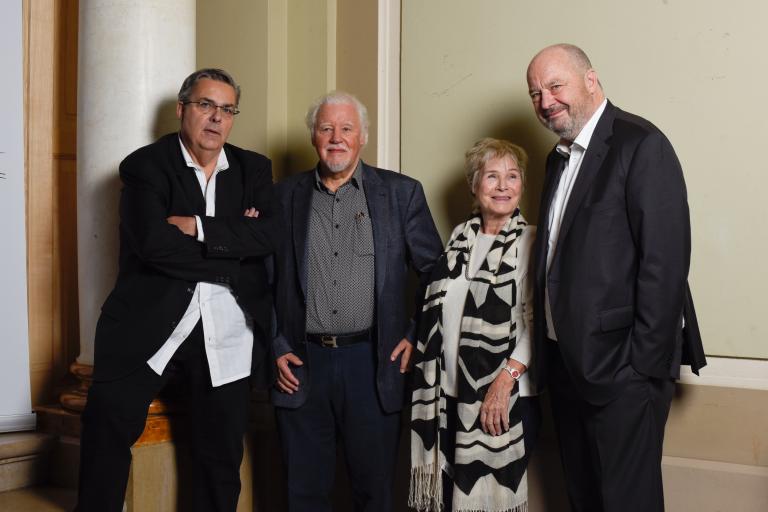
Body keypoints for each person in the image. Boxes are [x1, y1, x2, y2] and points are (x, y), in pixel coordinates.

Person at [75, 68, 282, 512]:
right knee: (107, 428)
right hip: (150, 324)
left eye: (226, 110)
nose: (216, 119)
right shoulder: (146, 166)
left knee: (221, 456)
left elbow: (269, 236)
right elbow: (153, 246)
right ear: (182, 109)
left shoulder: (253, 168)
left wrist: (198, 228)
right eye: (206, 105)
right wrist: (232, 247)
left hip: (226, 329)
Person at [525, 44, 706, 512]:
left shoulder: (640, 144)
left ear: (590, 79)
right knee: (584, 498)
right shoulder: (557, 159)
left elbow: (665, 264)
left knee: (628, 503)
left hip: (623, 372)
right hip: (568, 367)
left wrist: (638, 366)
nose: (545, 102)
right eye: (535, 93)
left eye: (555, 86)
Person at [270, 90, 443, 512]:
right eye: (326, 128)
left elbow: (437, 271)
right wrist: (275, 346)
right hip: (301, 365)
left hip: (373, 363)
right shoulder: (281, 197)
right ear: (313, 136)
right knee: (304, 493)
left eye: (346, 128)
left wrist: (413, 333)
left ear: (363, 136)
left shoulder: (401, 194)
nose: (336, 137)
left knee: (375, 492)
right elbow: (258, 280)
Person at [410, 138, 539, 512]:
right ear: (474, 184)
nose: (503, 186)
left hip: (506, 398)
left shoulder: (530, 241)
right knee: (452, 503)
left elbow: (535, 324)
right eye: (492, 176)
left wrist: (503, 381)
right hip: (447, 398)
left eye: (512, 176)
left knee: (487, 503)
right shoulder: (458, 240)